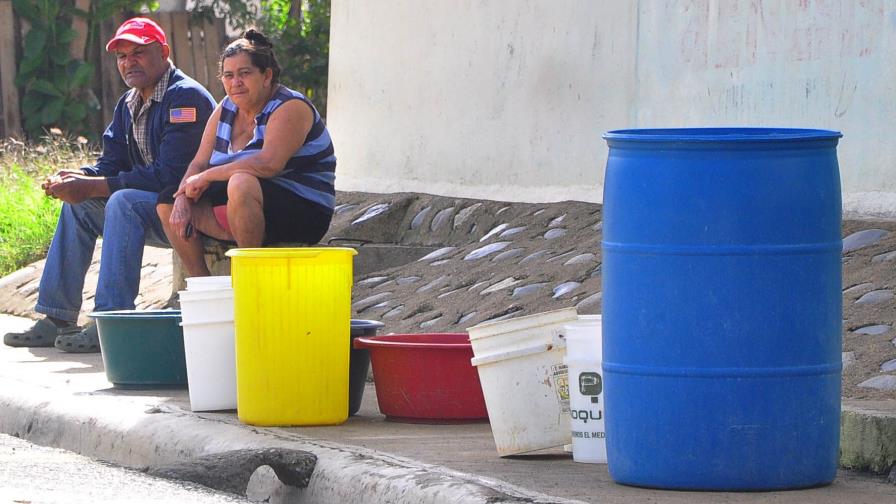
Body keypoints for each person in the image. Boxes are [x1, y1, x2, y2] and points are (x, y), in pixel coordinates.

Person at [2, 18, 216, 353]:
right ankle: (57, 317)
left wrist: (95, 185)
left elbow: (171, 177)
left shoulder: (185, 98)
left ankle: (111, 319)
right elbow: (110, 166)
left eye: (138, 53)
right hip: (156, 212)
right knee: (81, 205)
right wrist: (75, 178)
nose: (128, 62)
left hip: (190, 213)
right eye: (122, 56)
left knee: (122, 201)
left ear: (164, 52)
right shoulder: (128, 102)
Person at [156, 29, 335, 277]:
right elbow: (198, 163)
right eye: (228, 76)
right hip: (245, 201)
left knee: (241, 182)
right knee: (169, 199)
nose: (235, 82)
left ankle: (249, 277)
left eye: (244, 74)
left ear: (266, 76)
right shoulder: (226, 108)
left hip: (303, 207)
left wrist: (207, 177)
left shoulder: (290, 106)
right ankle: (201, 282)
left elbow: (268, 164)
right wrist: (184, 197)